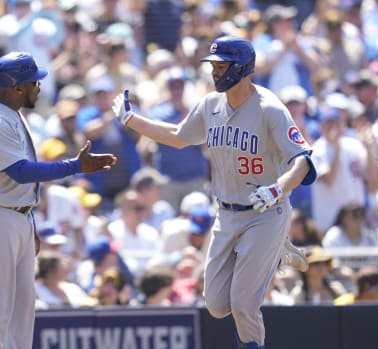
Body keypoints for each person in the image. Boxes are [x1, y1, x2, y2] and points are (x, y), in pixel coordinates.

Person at [111, 36, 316, 348]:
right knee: (217, 304)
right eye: (214, 66)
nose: (215, 72)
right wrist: (132, 119)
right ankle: (270, 255)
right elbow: (179, 136)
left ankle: (270, 250)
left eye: (222, 66)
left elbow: (302, 160)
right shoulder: (210, 105)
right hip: (226, 213)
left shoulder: (269, 108)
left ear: (243, 68)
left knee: (243, 305)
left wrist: (278, 188)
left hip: (265, 213)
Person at [0, 51, 116, 349]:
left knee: (22, 315)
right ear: (17, 87)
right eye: (33, 82)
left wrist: (28, 222)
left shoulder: (11, 113)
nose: (39, 86)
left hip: (12, 216)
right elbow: (20, 172)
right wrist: (75, 166)